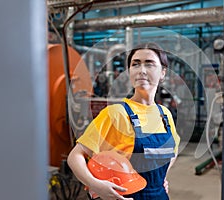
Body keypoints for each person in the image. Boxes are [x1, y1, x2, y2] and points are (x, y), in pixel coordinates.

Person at [67, 42, 180, 200]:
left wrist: (159, 180)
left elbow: (173, 149)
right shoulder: (115, 114)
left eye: (149, 64)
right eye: (135, 64)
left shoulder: (165, 114)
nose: (141, 70)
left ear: (163, 73)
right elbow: (75, 156)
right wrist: (95, 184)